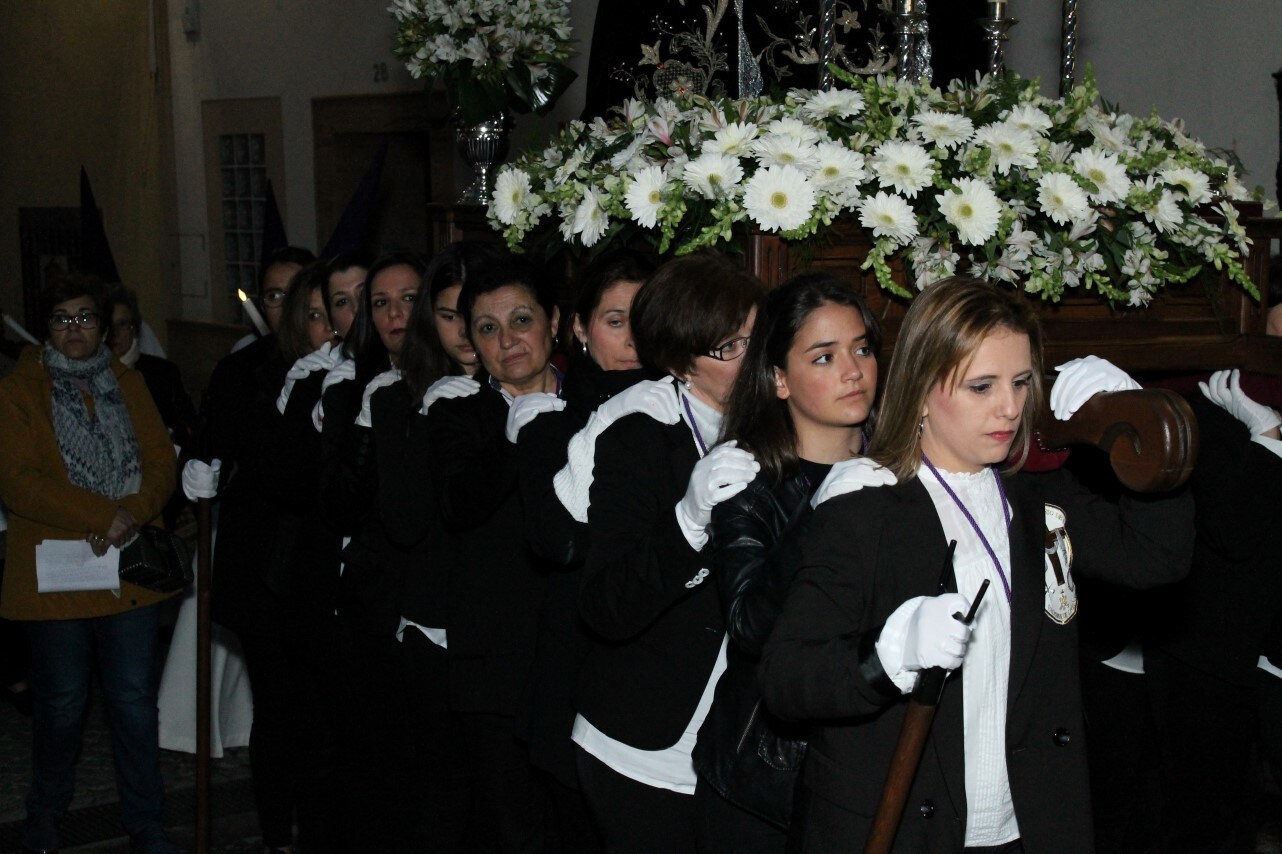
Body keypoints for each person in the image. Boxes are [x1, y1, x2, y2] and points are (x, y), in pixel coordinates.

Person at [758, 276, 1194, 853]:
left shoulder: (1036, 494)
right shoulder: (868, 503)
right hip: (909, 823)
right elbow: (787, 678)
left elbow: (1156, 558)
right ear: (919, 388)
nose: (1011, 409)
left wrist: (1142, 427)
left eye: (1020, 382)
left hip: (1028, 821)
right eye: (981, 386)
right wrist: (886, 657)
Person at [566, 252, 766, 853]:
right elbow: (605, 605)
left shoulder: (777, 421)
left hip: (738, 742)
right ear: (683, 363)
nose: (753, 358)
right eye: (730, 348)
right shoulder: (639, 431)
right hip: (645, 742)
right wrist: (687, 521)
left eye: (758, 339)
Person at [694, 273, 885, 852]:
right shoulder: (748, 481)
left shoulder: (903, 469)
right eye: (824, 357)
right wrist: (823, 511)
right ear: (778, 379)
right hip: (764, 783)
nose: (854, 370)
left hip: (871, 770)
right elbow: (750, 623)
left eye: (862, 348)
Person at [0, 272, 179, 854]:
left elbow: (160, 460)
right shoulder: (19, 389)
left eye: (85, 317)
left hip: (127, 568)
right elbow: (17, 482)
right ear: (45, 325)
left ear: (104, 327)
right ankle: (45, 816)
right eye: (62, 317)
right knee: (61, 702)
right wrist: (100, 514)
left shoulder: (129, 383)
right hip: (59, 571)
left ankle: (147, 822)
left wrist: (130, 511)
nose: (74, 329)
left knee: (132, 701)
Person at [511, 248, 655, 853]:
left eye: (646, 320)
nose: (633, 340)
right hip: (578, 671)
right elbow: (562, 544)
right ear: (578, 325)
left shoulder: (691, 411)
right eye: (615, 321)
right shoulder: (553, 420)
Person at [423, 252, 565, 852]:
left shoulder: (599, 407)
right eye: (487, 328)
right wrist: (513, 436)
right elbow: (459, 504)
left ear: (554, 322)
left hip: (573, 655)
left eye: (522, 320)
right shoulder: (457, 411)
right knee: (510, 827)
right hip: (495, 663)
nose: (508, 340)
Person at [104, 285, 198, 453]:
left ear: (134, 328)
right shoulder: (88, 375)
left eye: (122, 324)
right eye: (109, 325)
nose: (115, 333)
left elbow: (188, 428)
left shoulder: (163, 373)